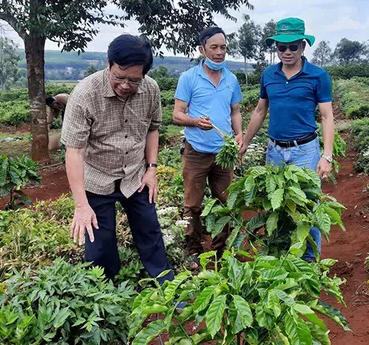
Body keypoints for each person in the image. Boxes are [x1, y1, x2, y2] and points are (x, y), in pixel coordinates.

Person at [61, 34, 173, 283]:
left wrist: (151, 168)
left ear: (144, 73)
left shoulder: (151, 89)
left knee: (150, 231)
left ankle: (166, 283)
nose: (125, 85)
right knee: (99, 246)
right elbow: (75, 150)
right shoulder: (84, 94)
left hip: (135, 176)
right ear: (108, 63)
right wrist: (81, 205)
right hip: (97, 178)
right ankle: (103, 294)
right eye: (119, 77)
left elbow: (153, 128)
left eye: (134, 80)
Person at [240, 18, 335, 262]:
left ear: (303, 47)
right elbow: (260, 111)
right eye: (281, 48)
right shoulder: (268, 75)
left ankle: (309, 261)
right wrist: (246, 141)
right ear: (276, 49)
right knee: (277, 205)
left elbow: (326, 116)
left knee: (307, 206)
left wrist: (327, 155)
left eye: (293, 46)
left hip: (305, 151)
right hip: (274, 151)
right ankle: (282, 255)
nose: (287, 52)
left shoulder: (318, 76)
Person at [173, 27, 243, 264]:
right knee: (193, 203)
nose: (219, 52)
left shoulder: (231, 79)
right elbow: (177, 115)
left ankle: (220, 250)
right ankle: (193, 250)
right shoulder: (189, 78)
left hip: (223, 153)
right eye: (214, 47)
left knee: (224, 201)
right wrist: (195, 122)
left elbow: (235, 111)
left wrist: (240, 134)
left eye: (223, 47)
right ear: (202, 49)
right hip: (196, 152)